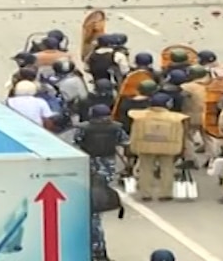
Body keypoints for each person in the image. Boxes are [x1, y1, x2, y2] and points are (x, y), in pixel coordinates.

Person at [75, 103, 128, 261]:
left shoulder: (84, 128)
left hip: (88, 162)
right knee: (102, 187)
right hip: (108, 162)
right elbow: (125, 142)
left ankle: (96, 249)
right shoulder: (116, 127)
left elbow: (75, 143)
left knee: (91, 199)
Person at [128, 93, 189, 202]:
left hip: (146, 146)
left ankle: (145, 193)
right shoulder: (175, 118)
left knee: (145, 169)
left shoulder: (139, 116)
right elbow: (181, 134)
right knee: (167, 169)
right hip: (168, 147)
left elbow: (135, 133)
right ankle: (165, 193)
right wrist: (183, 148)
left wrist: (132, 146)